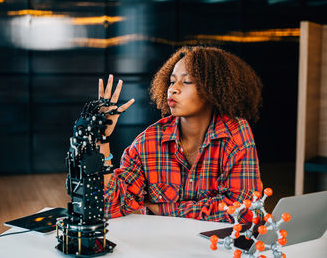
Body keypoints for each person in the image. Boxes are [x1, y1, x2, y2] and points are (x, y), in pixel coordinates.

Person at [97, 46, 263, 223]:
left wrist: (162, 209)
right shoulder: (148, 141)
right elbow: (110, 205)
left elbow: (245, 211)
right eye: (171, 81)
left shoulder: (235, 135)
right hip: (162, 246)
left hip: (214, 249)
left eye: (186, 81)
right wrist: (101, 138)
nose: (173, 89)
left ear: (212, 89)